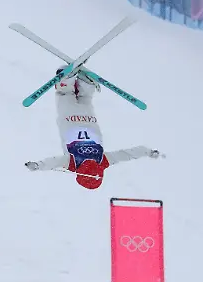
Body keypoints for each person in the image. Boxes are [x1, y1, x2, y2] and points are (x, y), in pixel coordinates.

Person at [25, 67, 162, 190]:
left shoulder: (103, 160)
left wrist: (147, 152)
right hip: (70, 121)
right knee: (65, 97)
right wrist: (38, 165)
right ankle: (67, 83)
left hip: (88, 120)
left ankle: (86, 85)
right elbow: (54, 162)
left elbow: (126, 154)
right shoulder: (73, 163)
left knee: (85, 100)